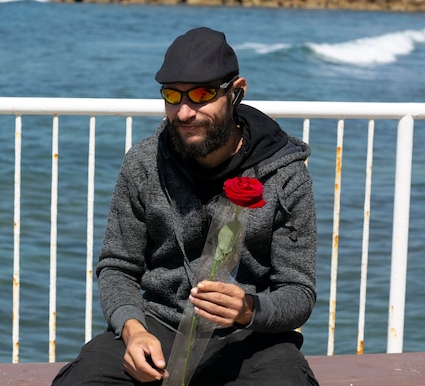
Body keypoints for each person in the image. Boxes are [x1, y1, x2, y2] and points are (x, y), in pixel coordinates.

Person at [51, 26, 319, 386]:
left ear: (236, 92)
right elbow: (117, 267)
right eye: (173, 96)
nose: (184, 112)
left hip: (251, 340)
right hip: (156, 326)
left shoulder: (286, 175)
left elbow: (298, 291)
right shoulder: (143, 163)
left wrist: (250, 309)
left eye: (202, 94)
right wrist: (132, 331)